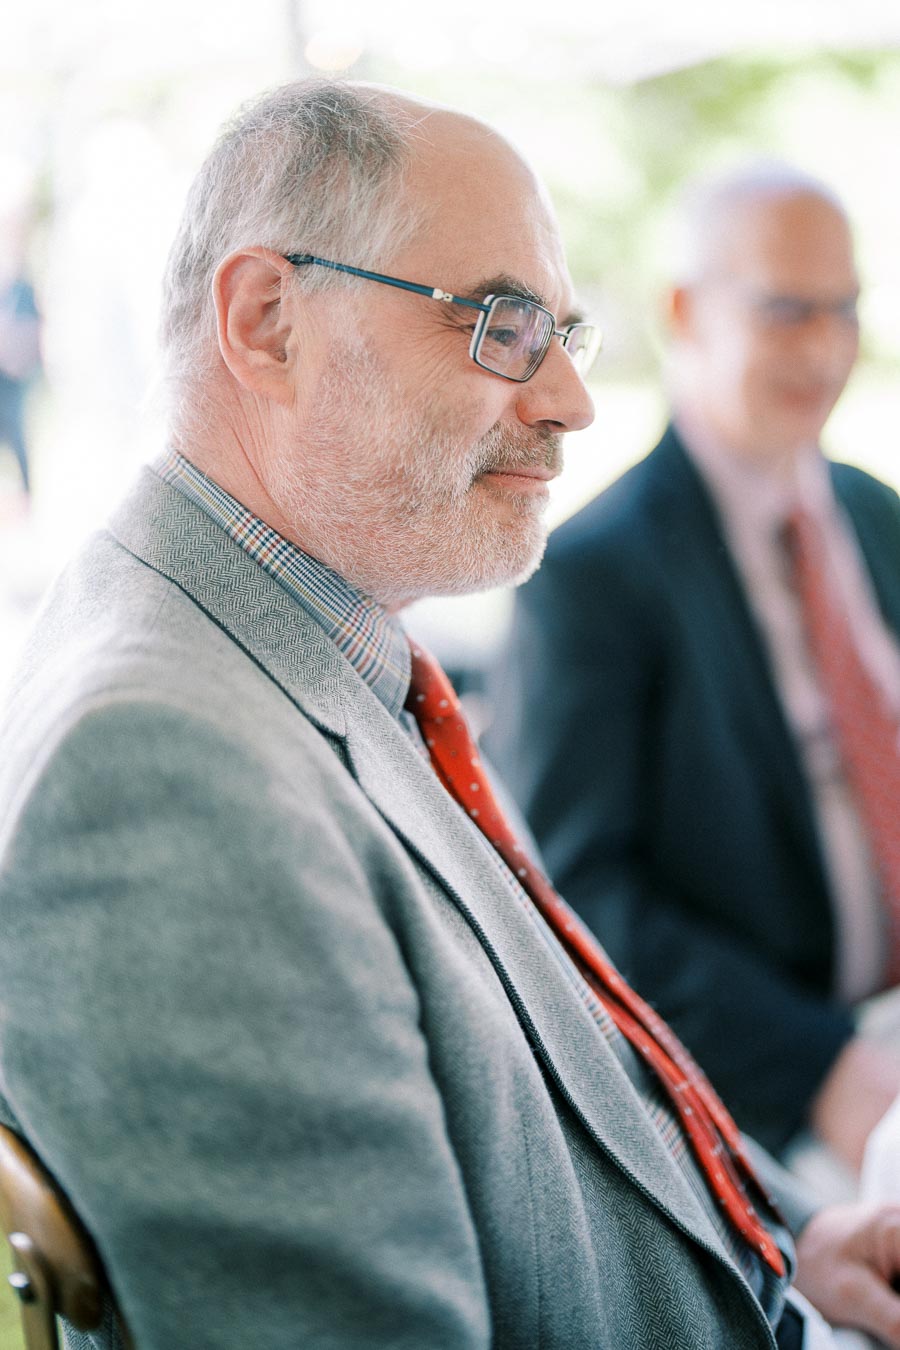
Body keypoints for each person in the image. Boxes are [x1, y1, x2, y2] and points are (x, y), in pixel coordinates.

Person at [0, 86, 898, 1350]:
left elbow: (569, 1069)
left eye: (563, 331)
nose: (575, 401)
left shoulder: (295, 635)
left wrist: (794, 1239)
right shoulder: (159, 772)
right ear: (266, 321)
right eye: (502, 325)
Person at [486, 162, 900, 1180]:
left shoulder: (874, 516)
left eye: (844, 310)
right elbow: (577, 893)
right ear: (685, 311)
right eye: (786, 311)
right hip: (771, 1098)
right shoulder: (592, 577)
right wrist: (821, 1068)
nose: (827, 349)